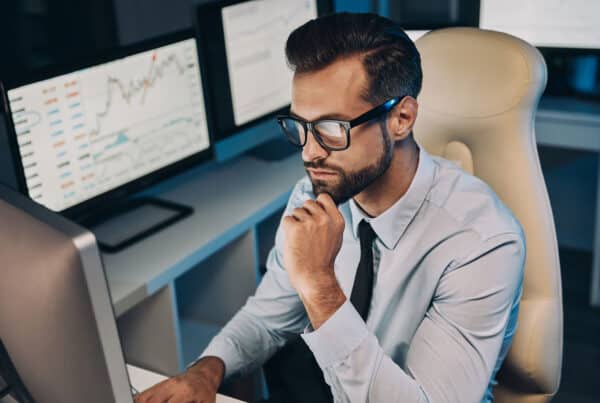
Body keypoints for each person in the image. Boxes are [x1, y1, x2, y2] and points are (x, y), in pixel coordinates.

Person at [135, 12, 525, 403]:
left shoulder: (482, 243)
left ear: (401, 118)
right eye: (300, 125)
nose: (309, 152)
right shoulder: (315, 194)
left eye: (332, 128)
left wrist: (320, 284)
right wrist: (207, 370)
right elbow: (267, 319)